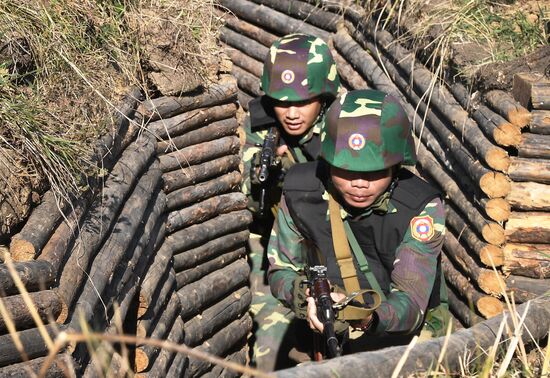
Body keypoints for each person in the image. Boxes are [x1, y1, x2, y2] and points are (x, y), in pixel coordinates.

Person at [267, 89, 451, 357]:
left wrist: (361, 317)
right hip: (325, 330)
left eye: (374, 171)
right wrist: (308, 295)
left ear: (396, 166)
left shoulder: (421, 209)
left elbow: (410, 304)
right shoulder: (299, 192)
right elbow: (281, 270)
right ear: (328, 162)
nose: (359, 184)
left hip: (408, 337)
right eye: (346, 169)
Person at [241, 33, 341, 370]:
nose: (292, 113)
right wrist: (265, 177)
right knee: (267, 354)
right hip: (276, 247)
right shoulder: (264, 128)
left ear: (324, 96)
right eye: (282, 102)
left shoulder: (345, 126)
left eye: (303, 101)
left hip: (339, 243)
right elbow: (251, 202)